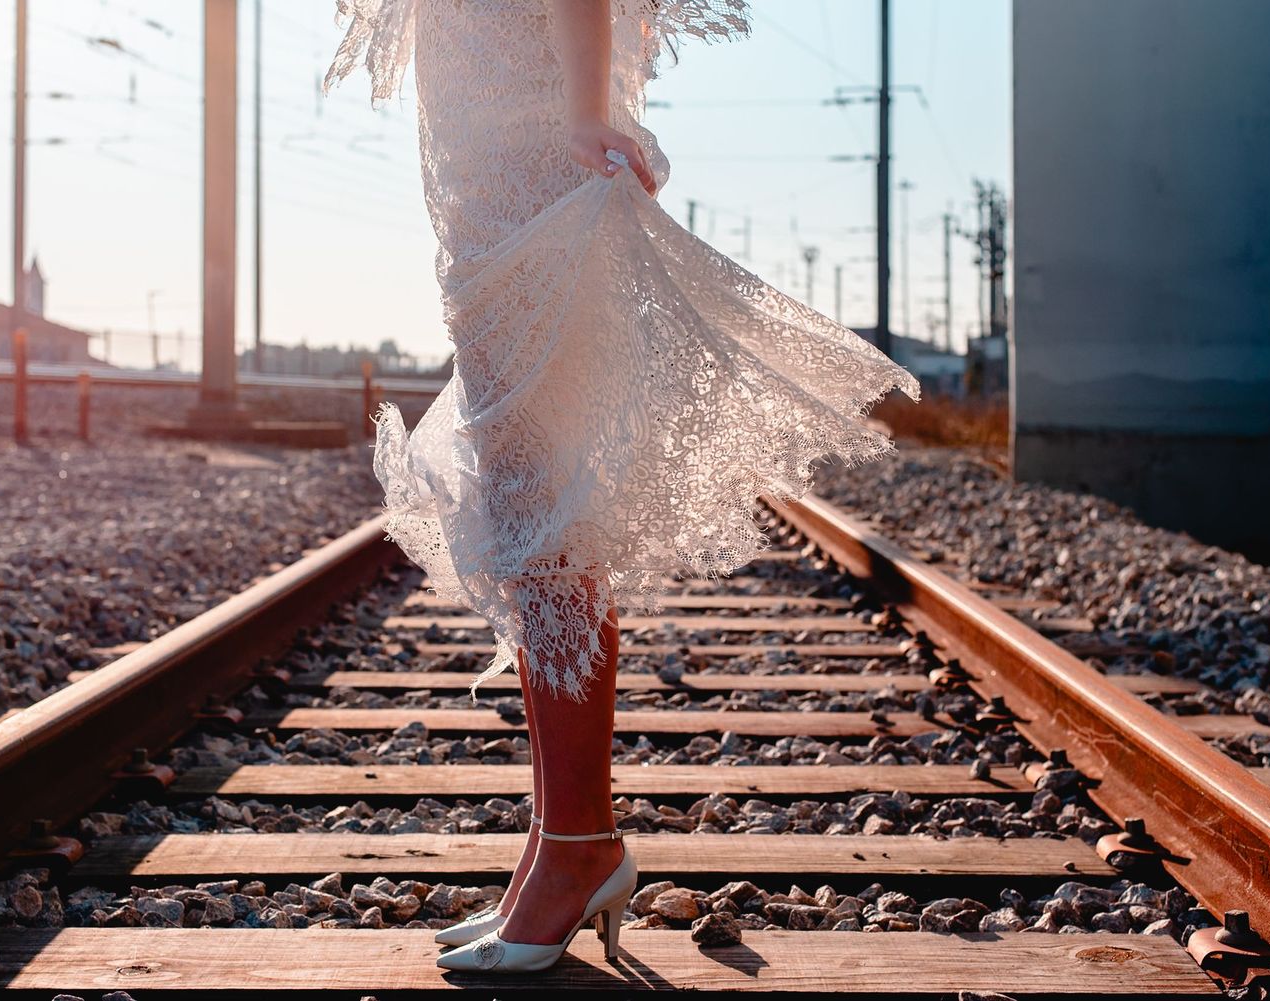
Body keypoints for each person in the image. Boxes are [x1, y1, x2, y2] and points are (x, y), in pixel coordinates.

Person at [322, 0, 920, 973]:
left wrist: (590, 107)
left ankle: (578, 844)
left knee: (546, 519)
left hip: (528, 179)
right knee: (529, 523)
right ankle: (558, 836)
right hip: (483, 188)